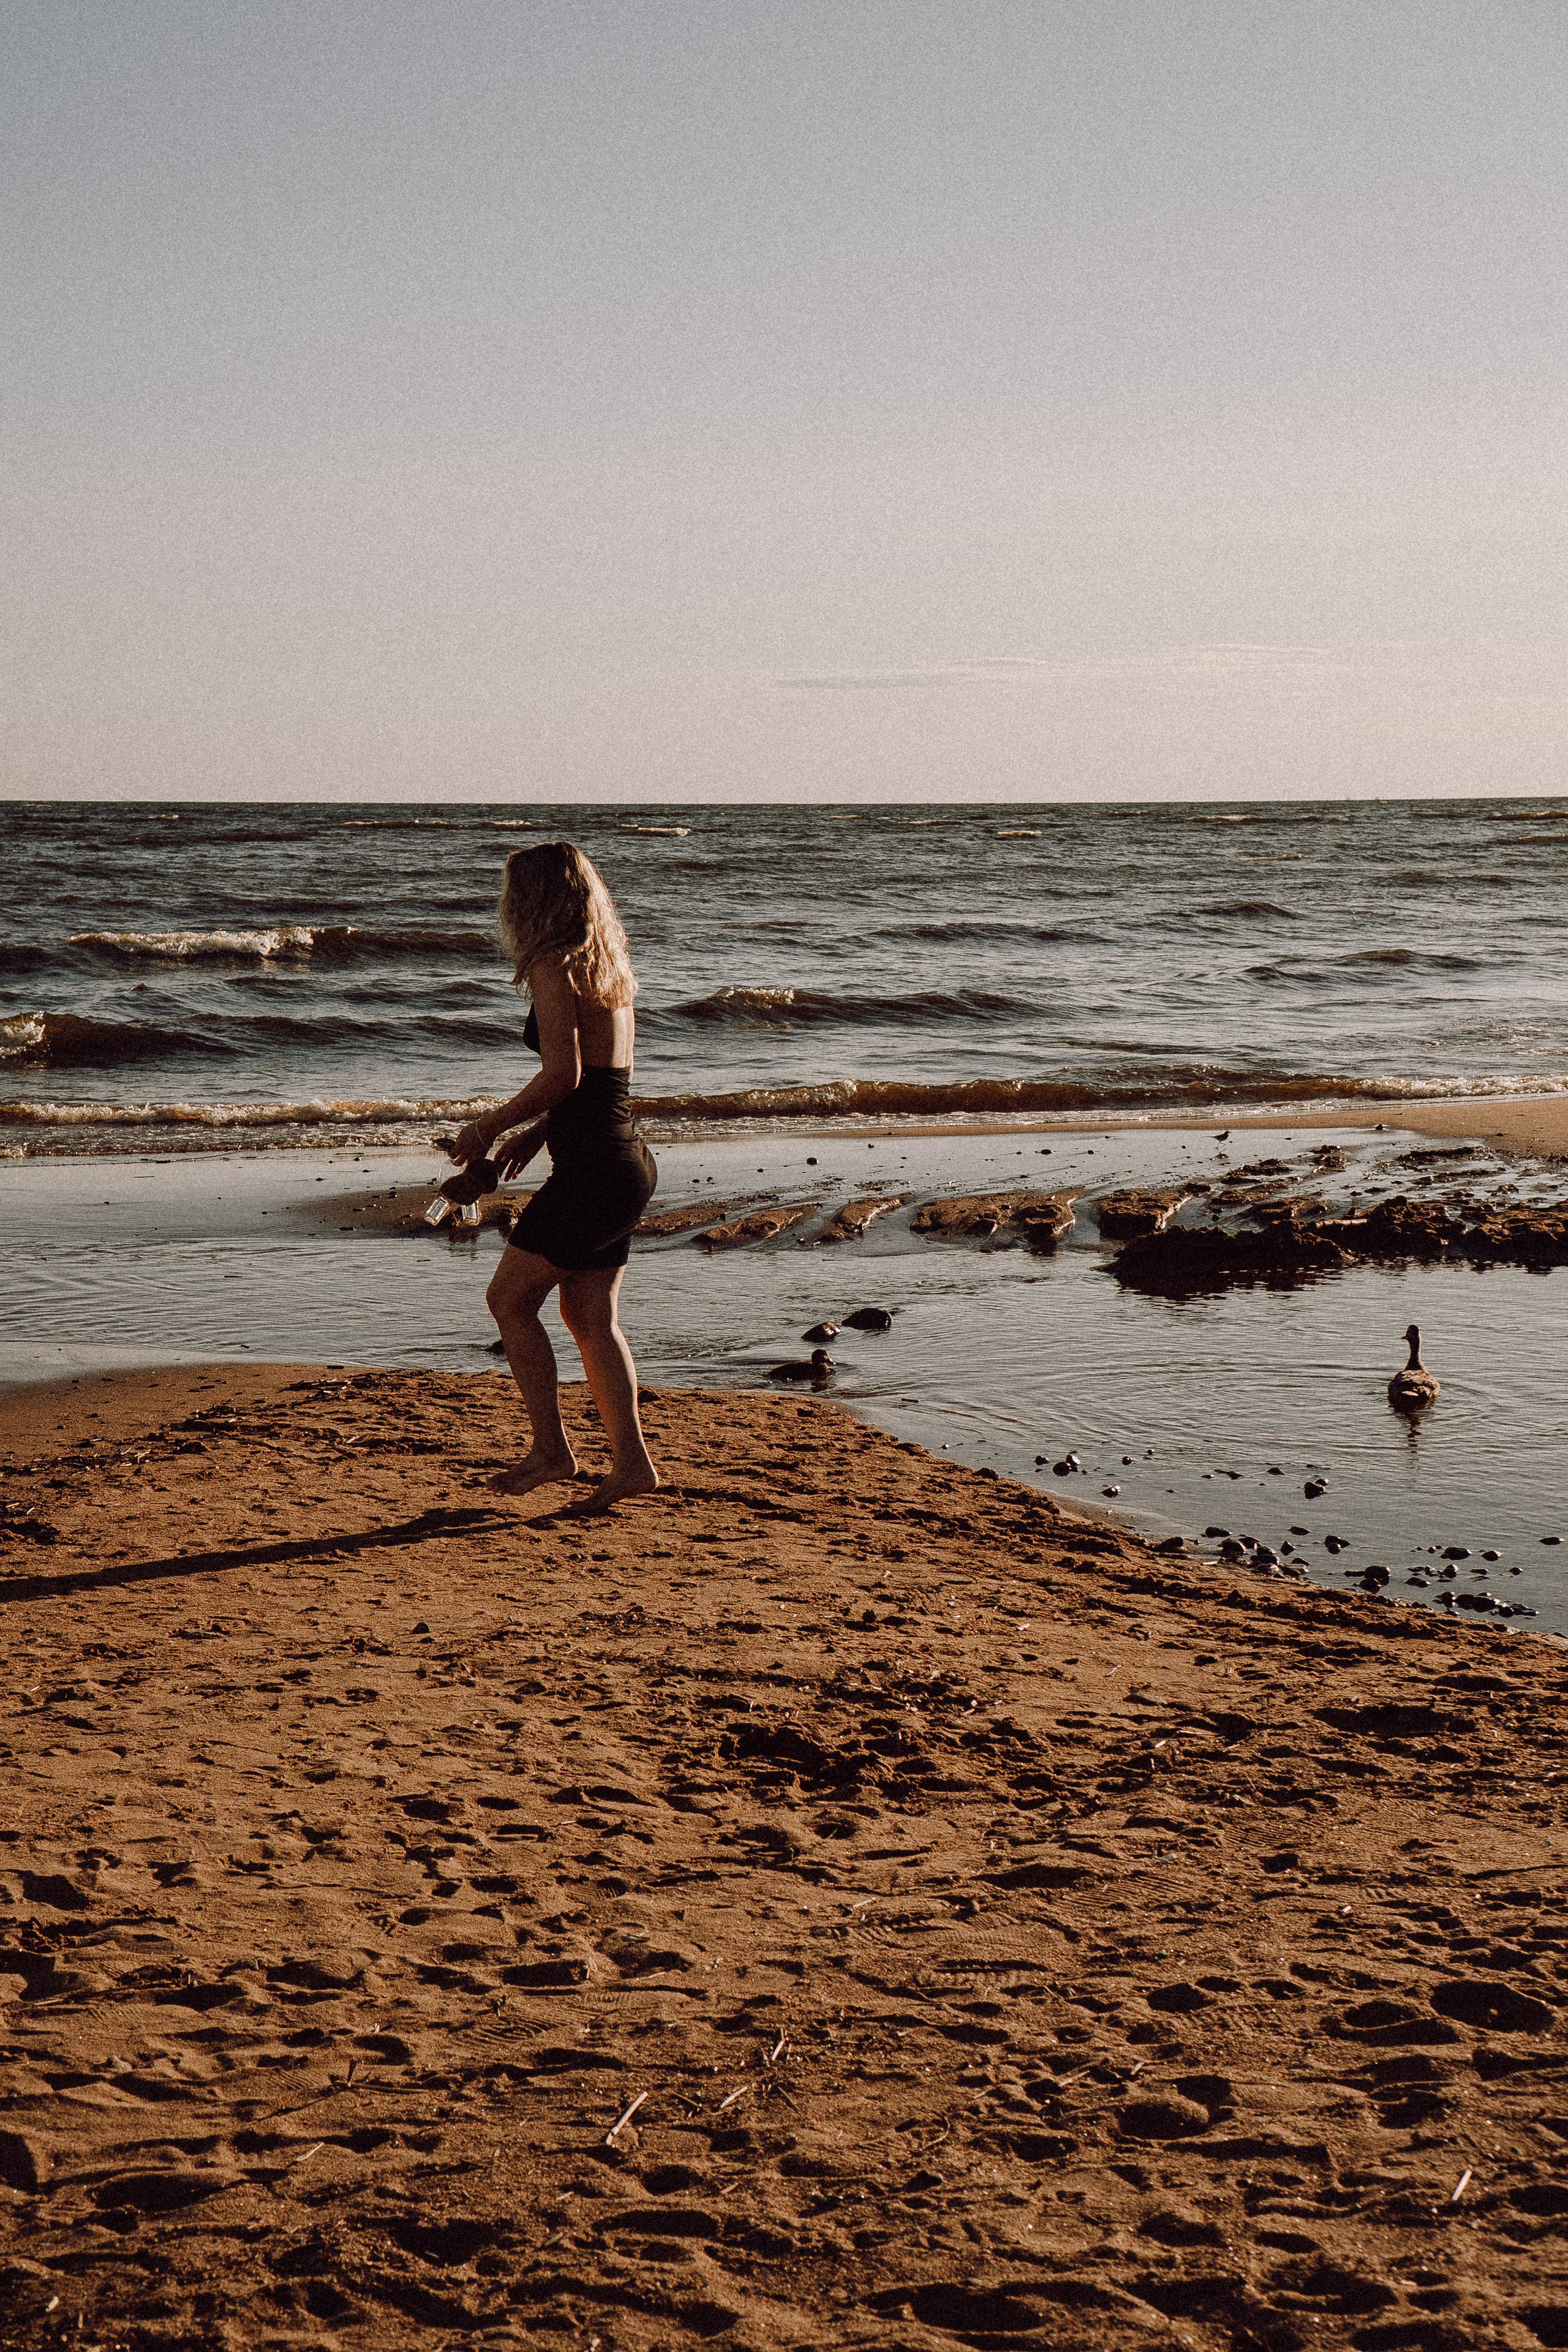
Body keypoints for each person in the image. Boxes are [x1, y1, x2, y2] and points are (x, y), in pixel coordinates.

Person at [451, 842, 658, 1511]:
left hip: (596, 1171)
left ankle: (552, 1451)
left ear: (530, 899)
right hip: (624, 1161)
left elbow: (562, 1075)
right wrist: (536, 1133)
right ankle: (631, 1466)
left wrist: (485, 1128)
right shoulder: (608, 967)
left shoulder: (550, 962)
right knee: (591, 1318)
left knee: (509, 1303)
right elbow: (601, 1081)